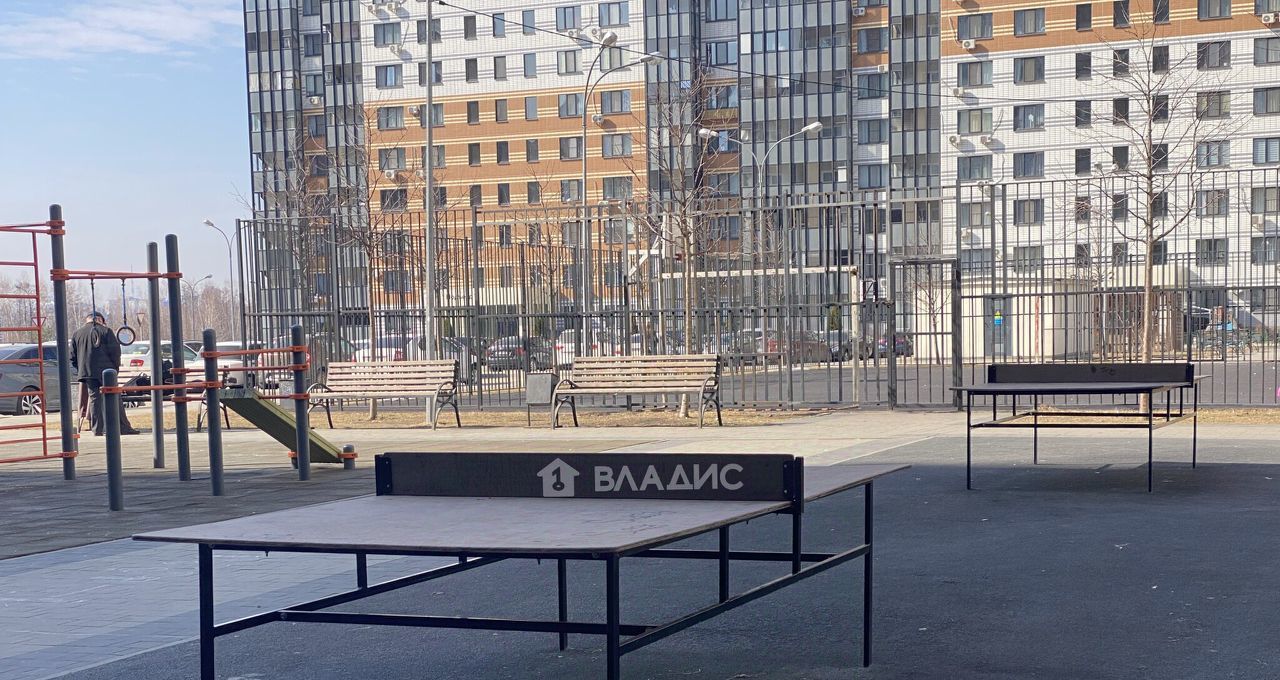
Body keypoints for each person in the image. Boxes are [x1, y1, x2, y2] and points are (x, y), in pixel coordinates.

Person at [69, 311, 140, 436]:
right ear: (100, 320)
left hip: (88, 372)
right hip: (107, 372)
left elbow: (72, 357)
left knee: (94, 400)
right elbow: (115, 352)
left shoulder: (77, 334)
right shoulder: (106, 331)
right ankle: (123, 427)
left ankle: (97, 429)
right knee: (115, 398)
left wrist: (82, 368)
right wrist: (114, 369)